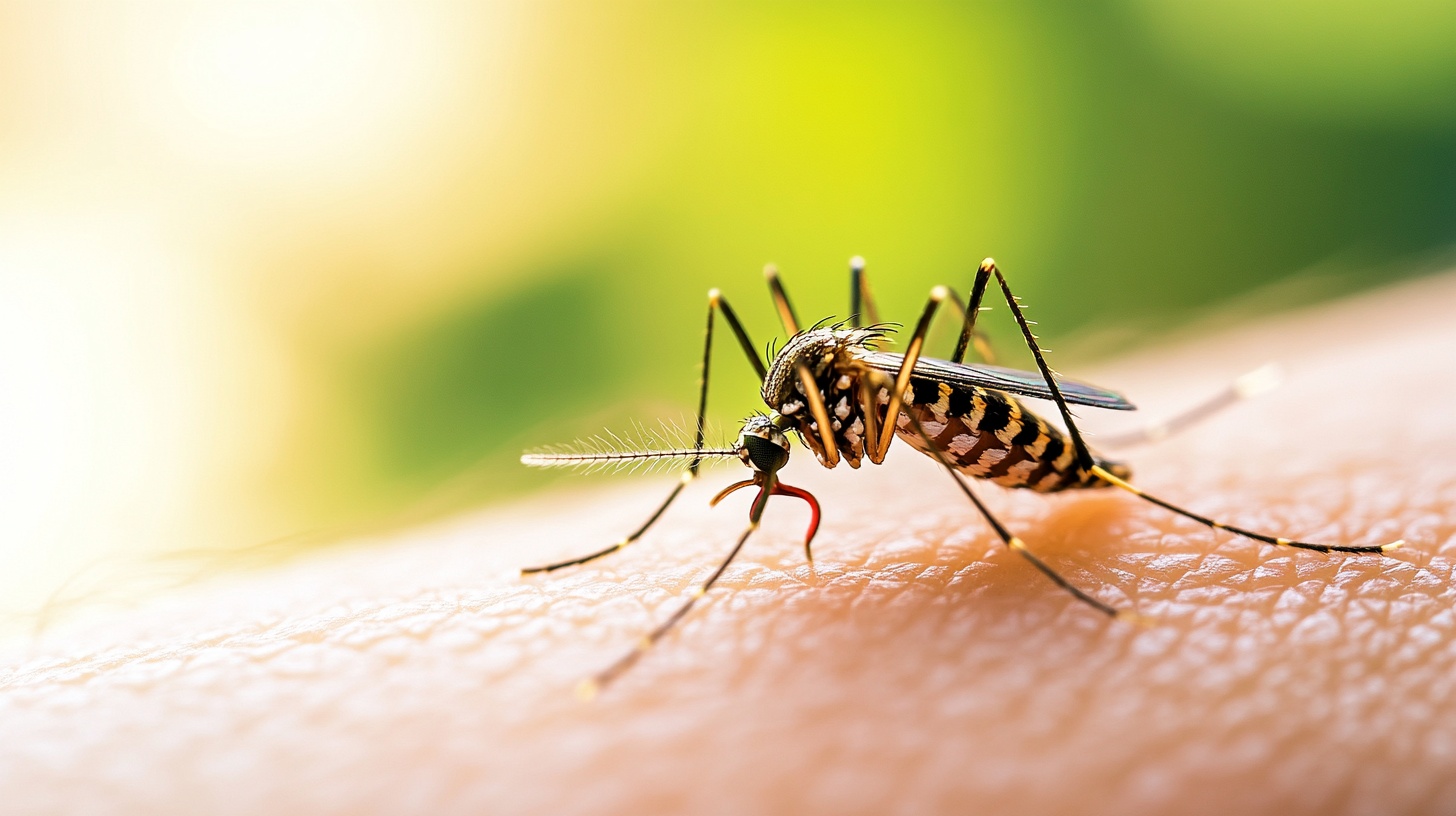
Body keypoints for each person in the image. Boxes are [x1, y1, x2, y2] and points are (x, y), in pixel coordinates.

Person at [2, 273, 1452, 815]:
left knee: (950, 309)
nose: (765, 473)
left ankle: (1176, 491)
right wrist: (667, 511)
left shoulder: (858, 401)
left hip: (1014, 445)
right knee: (760, 311)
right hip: (905, 412)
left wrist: (1044, 513)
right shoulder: (783, 403)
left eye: (757, 458)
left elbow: (905, 405)